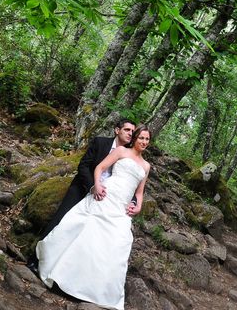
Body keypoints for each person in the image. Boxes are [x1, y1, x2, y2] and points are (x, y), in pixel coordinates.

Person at [36, 125, 151, 310]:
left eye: (147, 139)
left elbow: (140, 192)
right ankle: (62, 278)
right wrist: (96, 185)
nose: (144, 142)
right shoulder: (121, 151)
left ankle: (95, 290)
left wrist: (138, 206)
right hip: (106, 195)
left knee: (116, 243)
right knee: (87, 233)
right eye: (141, 138)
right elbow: (100, 167)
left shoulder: (146, 166)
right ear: (135, 138)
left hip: (121, 207)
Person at [26, 118, 137, 272]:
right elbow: (83, 165)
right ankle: (35, 260)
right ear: (117, 130)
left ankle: (65, 271)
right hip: (83, 188)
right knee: (61, 220)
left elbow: (129, 181)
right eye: (127, 130)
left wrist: (134, 201)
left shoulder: (129, 155)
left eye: (132, 131)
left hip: (106, 199)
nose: (130, 133)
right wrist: (93, 186)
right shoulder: (100, 142)